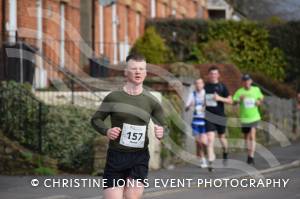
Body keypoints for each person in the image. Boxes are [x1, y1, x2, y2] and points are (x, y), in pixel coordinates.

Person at [91, 54, 167, 199]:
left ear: (145, 73)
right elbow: (96, 120)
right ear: (126, 72)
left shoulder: (151, 101)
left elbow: (164, 126)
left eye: (141, 69)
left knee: (132, 197)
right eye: (134, 69)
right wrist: (106, 131)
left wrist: (162, 131)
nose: (138, 72)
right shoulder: (114, 97)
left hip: (139, 157)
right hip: (116, 156)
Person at [204, 66, 233, 172]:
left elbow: (230, 101)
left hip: (220, 116)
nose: (213, 75)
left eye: (215, 74)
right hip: (208, 117)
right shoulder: (205, 87)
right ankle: (211, 162)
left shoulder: (222, 87)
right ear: (208, 75)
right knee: (210, 139)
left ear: (218, 75)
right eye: (211, 74)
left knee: (221, 138)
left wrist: (219, 98)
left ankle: (225, 151)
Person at [233, 74, 264, 165]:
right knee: (246, 138)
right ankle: (249, 154)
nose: (246, 82)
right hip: (244, 118)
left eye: (248, 80)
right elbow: (233, 102)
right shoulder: (239, 92)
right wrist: (239, 99)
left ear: (251, 81)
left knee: (252, 135)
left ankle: (251, 156)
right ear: (242, 82)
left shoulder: (256, 90)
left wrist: (259, 102)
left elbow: (261, 98)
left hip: (254, 117)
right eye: (245, 81)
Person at [185, 78, 208, 168]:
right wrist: (190, 105)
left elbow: (211, 105)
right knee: (198, 142)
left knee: (204, 143)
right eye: (197, 83)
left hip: (205, 121)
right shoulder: (192, 94)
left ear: (203, 84)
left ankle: (205, 156)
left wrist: (205, 106)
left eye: (200, 83)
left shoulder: (206, 94)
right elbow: (186, 108)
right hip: (196, 121)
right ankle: (202, 160)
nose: (198, 85)